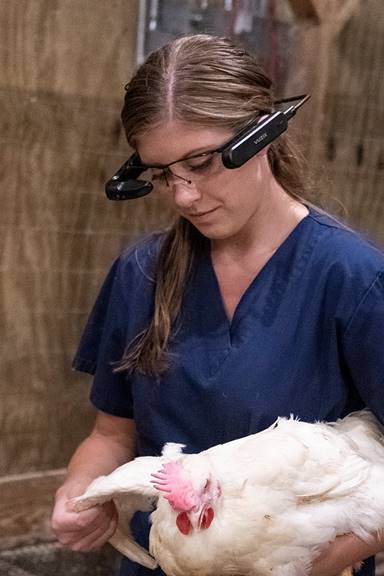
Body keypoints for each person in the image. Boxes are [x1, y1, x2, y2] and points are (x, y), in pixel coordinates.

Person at [51, 34, 384, 576]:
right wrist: (82, 493)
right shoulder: (142, 274)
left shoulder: (354, 279)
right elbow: (113, 433)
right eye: (162, 175)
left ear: (262, 135)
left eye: (202, 163)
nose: (183, 196)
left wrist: (299, 563)